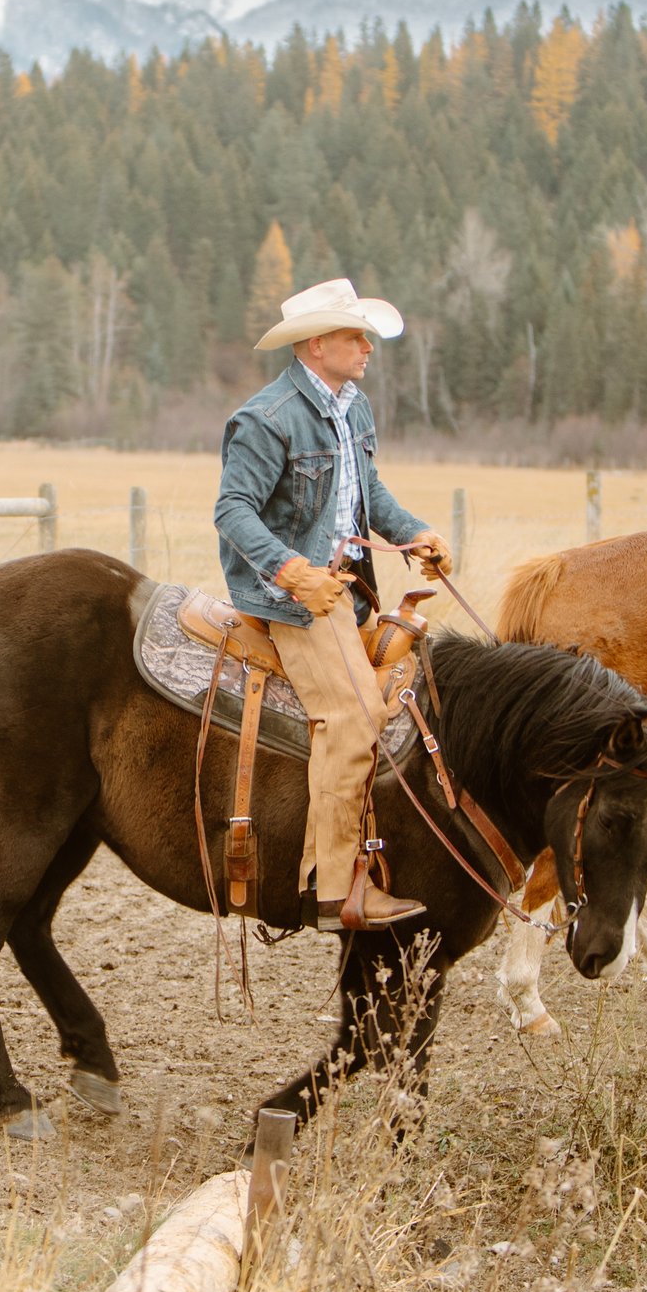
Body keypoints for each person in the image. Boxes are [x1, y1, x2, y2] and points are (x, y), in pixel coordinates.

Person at [215, 278, 452, 930]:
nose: (368, 345)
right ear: (317, 344)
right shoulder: (267, 418)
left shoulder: (353, 407)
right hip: (288, 597)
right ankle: (332, 887)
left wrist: (414, 534)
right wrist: (293, 572)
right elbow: (232, 510)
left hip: (346, 588)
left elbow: (366, 492)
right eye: (355, 335)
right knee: (354, 717)